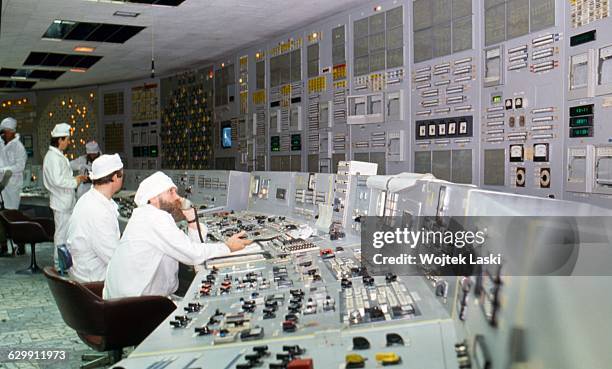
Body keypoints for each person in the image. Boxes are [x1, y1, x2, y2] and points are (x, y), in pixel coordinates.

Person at [103, 171, 251, 299]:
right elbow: (192, 255)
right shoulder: (154, 218)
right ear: (153, 198)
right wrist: (227, 247)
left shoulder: (146, 216)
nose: (177, 197)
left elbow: (191, 250)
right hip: (136, 305)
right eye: (171, 192)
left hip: (128, 300)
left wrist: (192, 220)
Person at [67, 154, 124, 282]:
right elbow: (114, 259)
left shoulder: (90, 199)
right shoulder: (98, 211)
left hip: (85, 272)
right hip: (94, 280)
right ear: (115, 177)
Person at [43, 123, 88, 267]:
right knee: (61, 235)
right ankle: (59, 264)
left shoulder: (57, 156)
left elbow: (61, 178)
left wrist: (77, 179)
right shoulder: (53, 158)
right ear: (60, 140)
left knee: (65, 233)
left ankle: (64, 262)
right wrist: (75, 181)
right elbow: (57, 180)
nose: (69, 142)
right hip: (61, 202)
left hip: (65, 201)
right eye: (67, 139)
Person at [0, 117, 27, 256]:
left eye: (7, 131)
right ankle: (3, 245)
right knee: (1, 218)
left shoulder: (19, 147)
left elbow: (20, 166)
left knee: (13, 217)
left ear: (12, 131)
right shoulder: (0, 143)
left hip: (12, 186)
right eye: (3, 131)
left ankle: (20, 245)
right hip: (1, 185)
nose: (5, 134)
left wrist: (5, 170)